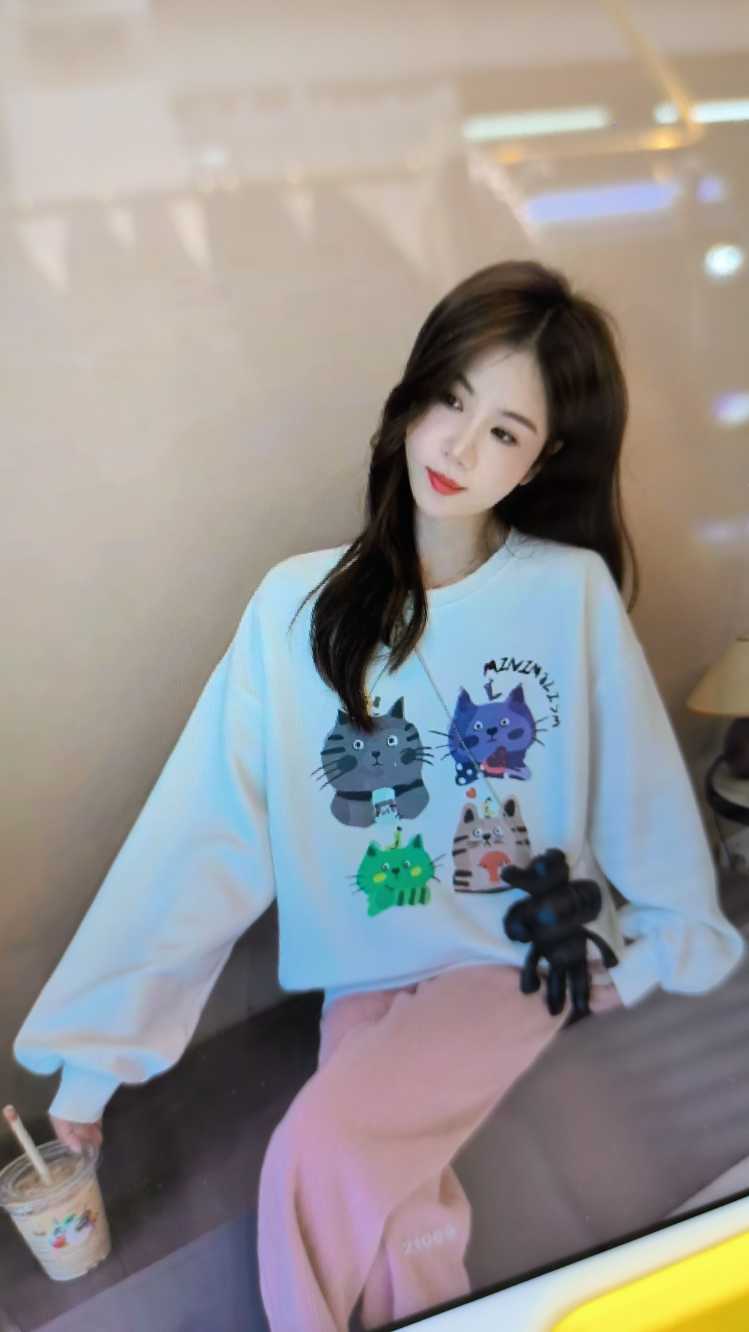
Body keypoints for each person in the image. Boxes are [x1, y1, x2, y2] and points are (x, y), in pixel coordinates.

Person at [13, 259, 744, 1331]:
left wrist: (653, 946)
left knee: (310, 1160)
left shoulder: (565, 595)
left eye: (504, 430)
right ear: (412, 394)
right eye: (451, 399)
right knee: (399, 1226)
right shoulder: (296, 608)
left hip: (511, 957)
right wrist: (90, 1071)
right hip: (363, 969)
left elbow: (634, 783)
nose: (458, 447)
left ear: (543, 459)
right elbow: (204, 833)